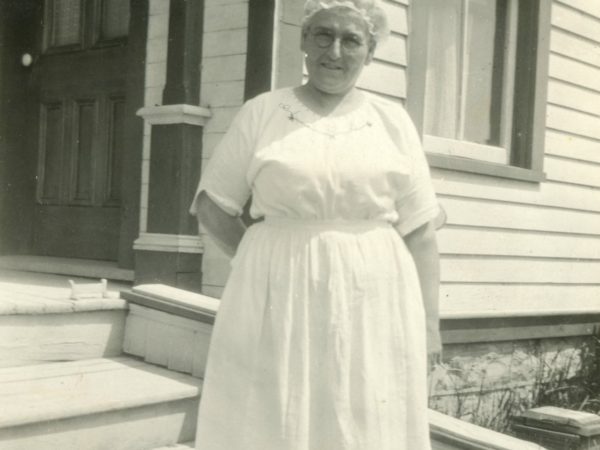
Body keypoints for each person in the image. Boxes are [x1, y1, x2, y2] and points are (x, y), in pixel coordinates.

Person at [189, 0, 441, 448]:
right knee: (273, 410)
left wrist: (430, 327)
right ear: (304, 41)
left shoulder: (393, 121)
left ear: (372, 51)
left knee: (360, 409)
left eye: (352, 40)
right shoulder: (263, 112)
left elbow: (420, 232)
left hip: (373, 295)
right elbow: (213, 206)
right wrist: (262, 260)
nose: (335, 52)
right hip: (278, 293)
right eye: (323, 35)